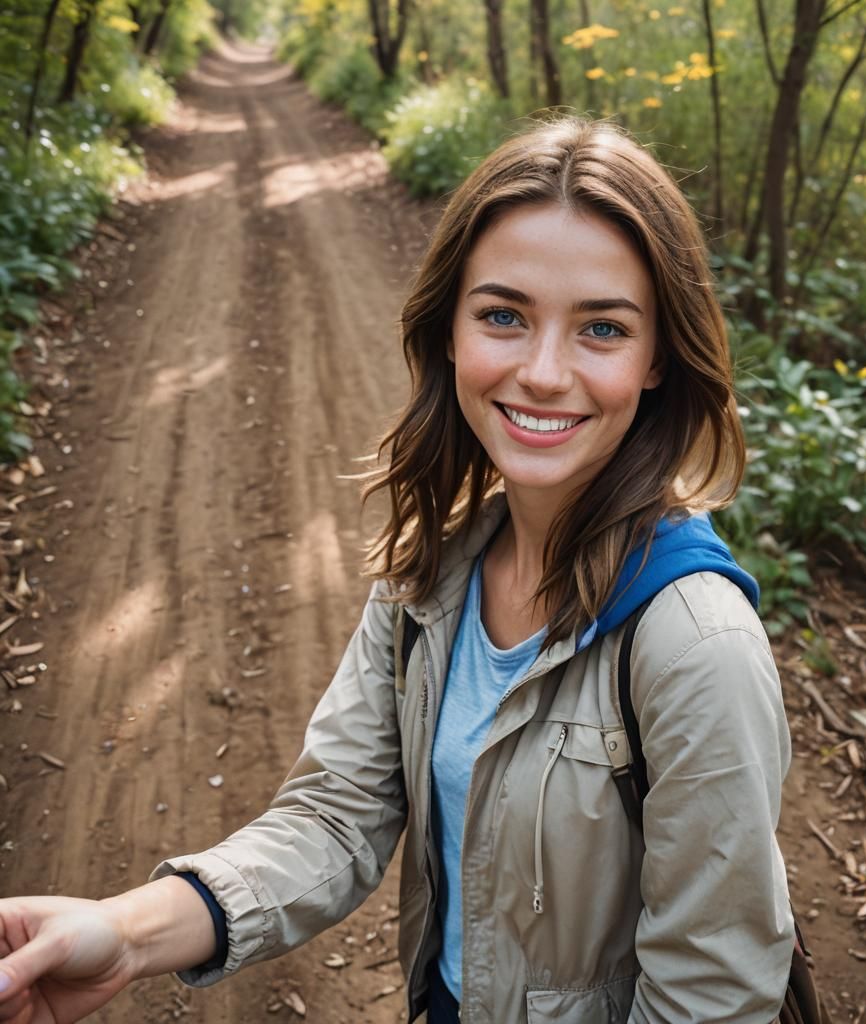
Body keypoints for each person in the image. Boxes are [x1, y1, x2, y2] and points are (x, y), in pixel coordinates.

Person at [0, 114, 795, 1023]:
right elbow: (337, 813)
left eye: (603, 328)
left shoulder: (697, 647)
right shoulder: (437, 571)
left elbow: (711, 993)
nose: (543, 372)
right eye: (503, 316)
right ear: (449, 330)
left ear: (658, 360)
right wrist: (124, 931)